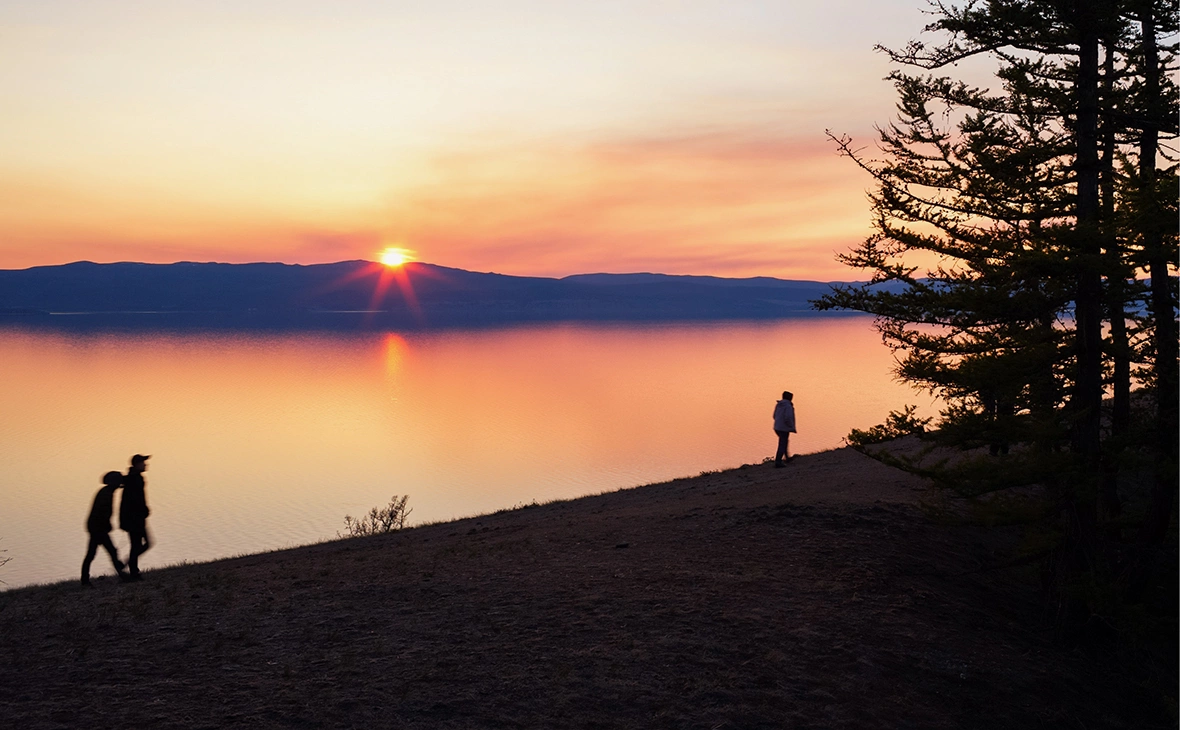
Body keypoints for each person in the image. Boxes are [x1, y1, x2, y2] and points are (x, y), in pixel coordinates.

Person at [82, 471, 127, 586]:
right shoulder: (106, 494)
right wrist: (106, 525)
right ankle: (85, 580)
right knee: (100, 553)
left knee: (102, 552)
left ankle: (85, 579)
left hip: (97, 527)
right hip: (98, 528)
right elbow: (102, 513)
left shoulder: (107, 492)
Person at [120, 454, 152, 580]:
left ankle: (131, 567)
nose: (145, 464)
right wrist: (144, 510)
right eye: (143, 463)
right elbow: (135, 500)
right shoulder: (136, 479)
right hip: (135, 519)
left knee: (139, 544)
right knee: (139, 544)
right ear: (137, 465)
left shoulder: (134, 478)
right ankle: (133, 570)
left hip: (135, 518)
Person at [773, 391, 796, 467]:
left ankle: (787, 457)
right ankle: (778, 461)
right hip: (784, 427)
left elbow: (774, 415)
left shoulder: (779, 405)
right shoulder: (788, 406)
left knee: (784, 441)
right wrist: (791, 426)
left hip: (777, 427)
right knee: (783, 443)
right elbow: (788, 417)